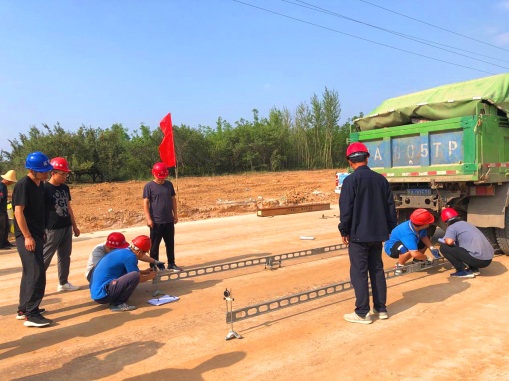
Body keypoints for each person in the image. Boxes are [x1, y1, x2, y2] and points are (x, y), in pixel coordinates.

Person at [339, 142, 397, 324]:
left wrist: (344, 230)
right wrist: (387, 230)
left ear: (349, 161)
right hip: (377, 234)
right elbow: (390, 208)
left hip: (358, 235)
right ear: (367, 157)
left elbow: (346, 209)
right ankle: (381, 308)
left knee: (359, 272)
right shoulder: (381, 180)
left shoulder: (350, 181)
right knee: (377, 270)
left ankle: (362, 312)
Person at [13, 152, 53, 327]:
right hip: (26, 235)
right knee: (36, 272)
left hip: (37, 233)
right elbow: (18, 212)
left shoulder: (40, 185)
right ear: (32, 170)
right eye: (42, 171)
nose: (46, 174)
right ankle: (32, 313)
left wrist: (41, 231)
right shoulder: (23, 185)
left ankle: (23, 309)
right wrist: (27, 236)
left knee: (30, 272)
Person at [89, 235, 157, 311]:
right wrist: (149, 277)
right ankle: (117, 304)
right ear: (139, 252)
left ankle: (115, 299)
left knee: (133, 274)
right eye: (144, 253)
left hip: (97, 292)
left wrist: (144, 272)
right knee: (135, 276)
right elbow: (137, 277)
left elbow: (121, 269)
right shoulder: (130, 256)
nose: (143, 255)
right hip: (103, 295)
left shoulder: (123, 251)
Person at [42, 157, 81, 292]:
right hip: (52, 228)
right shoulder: (44, 188)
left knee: (65, 256)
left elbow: (68, 207)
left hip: (66, 226)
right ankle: (36, 287)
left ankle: (63, 283)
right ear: (53, 172)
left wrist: (74, 225)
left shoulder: (65, 188)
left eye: (66, 174)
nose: (65, 177)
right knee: (45, 257)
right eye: (62, 174)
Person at [143, 162, 182, 272]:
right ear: (153, 174)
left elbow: (173, 199)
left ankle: (171, 263)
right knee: (154, 246)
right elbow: (145, 203)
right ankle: (154, 265)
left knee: (170, 243)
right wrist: (148, 218)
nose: (161, 179)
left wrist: (175, 214)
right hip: (156, 222)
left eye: (163, 177)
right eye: (159, 177)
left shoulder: (169, 185)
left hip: (169, 220)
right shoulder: (149, 186)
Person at [85, 232, 165, 281]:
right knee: (128, 276)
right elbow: (102, 270)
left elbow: (136, 253)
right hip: (93, 275)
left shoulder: (117, 246)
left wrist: (154, 261)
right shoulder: (98, 251)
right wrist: (146, 277)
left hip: (107, 272)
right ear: (111, 248)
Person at [439, 208, 494, 278]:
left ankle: (461, 271)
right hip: (488, 259)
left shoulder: (451, 227)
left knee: (444, 247)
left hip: (478, 260)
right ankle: (474, 269)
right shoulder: (467, 224)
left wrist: (445, 240)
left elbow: (449, 242)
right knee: (465, 245)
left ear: (445, 221)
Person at [384, 208, 440, 275]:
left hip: (407, 242)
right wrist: (427, 258)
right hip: (391, 248)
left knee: (427, 238)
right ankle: (399, 266)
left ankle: (417, 260)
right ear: (424, 224)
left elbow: (424, 237)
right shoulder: (407, 233)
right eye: (429, 222)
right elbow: (414, 253)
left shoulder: (420, 226)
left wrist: (431, 247)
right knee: (405, 249)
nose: (430, 224)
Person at [1, 169, 17, 249]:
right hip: (1, 211)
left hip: (3, 210)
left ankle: (5, 241)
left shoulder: (4, 186)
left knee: (6, 226)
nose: (12, 183)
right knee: (1, 227)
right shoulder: (1, 186)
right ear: (7, 180)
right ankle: (1, 244)